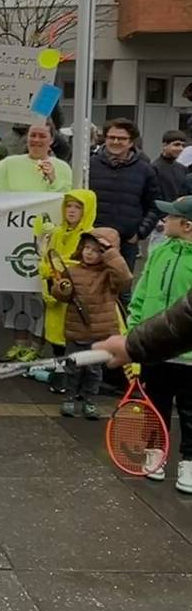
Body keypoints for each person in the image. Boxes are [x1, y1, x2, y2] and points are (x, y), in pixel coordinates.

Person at [0, 122, 73, 362]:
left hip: (43, 242)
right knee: (12, 294)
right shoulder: (9, 164)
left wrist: (53, 179)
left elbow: (66, 198)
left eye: (42, 136)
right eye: (33, 135)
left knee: (38, 294)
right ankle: (19, 343)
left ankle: (36, 347)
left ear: (51, 140)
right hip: (10, 240)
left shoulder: (62, 167)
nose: (36, 140)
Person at [126, 196, 192, 491]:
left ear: (187, 225)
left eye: (171, 217)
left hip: (188, 356)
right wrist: (134, 332)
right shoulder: (159, 252)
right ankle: (155, 452)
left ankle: (189, 462)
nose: (164, 221)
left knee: (190, 412)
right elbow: (140, 295)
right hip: (154, 350)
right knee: (155, 407)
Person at [50, 228, 130, 419]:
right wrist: (60, 290)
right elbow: (62, 295)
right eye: (86, 248)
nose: (89, 253)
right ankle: (69, 398)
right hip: (76, 330)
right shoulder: (72, 271)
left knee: (94, 371)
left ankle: (89, 400)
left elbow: (125, 279)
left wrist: (111, 252)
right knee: (73, 368)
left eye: (96, 250)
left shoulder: (109, 275)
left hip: (100, 334)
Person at [39, 190, 97, 389]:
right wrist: (49, 271)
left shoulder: (91, 236)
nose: (71, 211)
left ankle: (76, 380)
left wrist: (62, 268)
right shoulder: (57, 233)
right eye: (69, 206)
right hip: (56, 290)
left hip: (77, 295)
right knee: (56, 335)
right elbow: (47, 258)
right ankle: (59, 373)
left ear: (87, 210)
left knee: (74, 338)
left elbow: (88, 263)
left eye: (78, 207)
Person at [90, 118, 161, 272]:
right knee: (89, 285)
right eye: (111, 137)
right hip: (92, 241)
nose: (116, 141)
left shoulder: (145, 170)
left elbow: (154, 206)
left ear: (131, 142)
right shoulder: (89, 166)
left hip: (126, 243)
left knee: (122, 285)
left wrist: (140, 233)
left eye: (121, 138)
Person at [152, 130, 188, 203]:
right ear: (165, 145)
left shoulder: (182, 168)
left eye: (183, 145)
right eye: (176, 145)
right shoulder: (154, 168)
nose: (181, 148)